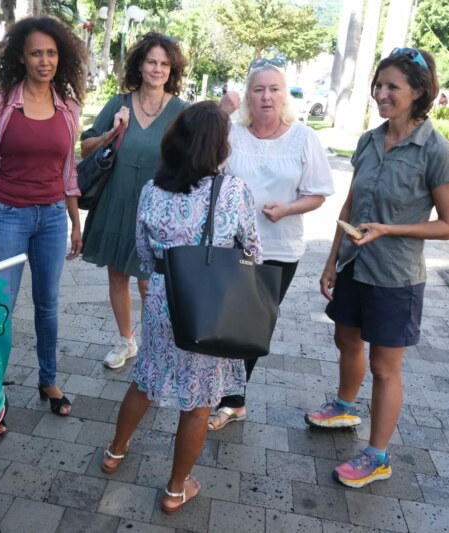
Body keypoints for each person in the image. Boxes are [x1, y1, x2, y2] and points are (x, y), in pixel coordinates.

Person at [304, 48, 449, 488]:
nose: (381, 94)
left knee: (385, 368)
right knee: (345, 340)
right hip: (355, 266)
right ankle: (344, 407)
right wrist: (332, 259)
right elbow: (351, 203)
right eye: (379, 85)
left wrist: (390, 230)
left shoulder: (437, 152)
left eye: (393, 86)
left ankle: (377, 457)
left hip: (396, 278)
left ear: (418, 92)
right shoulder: (370, 140)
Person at [100, 101, 262, 514]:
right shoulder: (233, 191)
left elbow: (143, 252)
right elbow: (252, 252)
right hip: (209, 305)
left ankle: (115, 452)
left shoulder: (151, 190)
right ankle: (175, 490)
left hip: (161, 297)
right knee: (198, 403)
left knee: (145, 380)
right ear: (218, 147)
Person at [207, 58, 334, 431]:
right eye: (258, 89)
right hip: (231, 245)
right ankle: (223, 392)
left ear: (284, 95)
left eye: (274, 89)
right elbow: (204, 168)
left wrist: (288, 208)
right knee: (225, 319)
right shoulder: (231, 133)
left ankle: (233, 400)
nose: (266, 96)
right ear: (247, 95)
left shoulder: (304, 138)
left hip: (279, 248)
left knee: (254, 324)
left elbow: (318, 193)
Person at [0, 17, 86, 417]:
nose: (44, 61)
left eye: (51, 53)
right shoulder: (0, 101)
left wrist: (75, 222)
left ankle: (48, 379)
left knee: (47, 305)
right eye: (36, 53)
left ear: (60, 57)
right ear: (21, 56)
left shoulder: (68, 106)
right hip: (7, 217)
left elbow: (69, 172)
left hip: (52, 218)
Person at [79, 33, 187, 370]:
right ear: (139, 65)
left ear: (172, 70)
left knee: (149, 282)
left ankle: (156, 345)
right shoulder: (119, 103)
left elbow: (192, 159)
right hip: (116, 200)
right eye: (151, 61)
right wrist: (111, 133)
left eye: (164, 64)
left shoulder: (181, 111)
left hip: (157, 209)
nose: (157, 69)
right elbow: (85, 147)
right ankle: (127, 340)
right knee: (117, 275)